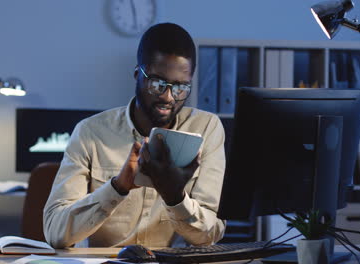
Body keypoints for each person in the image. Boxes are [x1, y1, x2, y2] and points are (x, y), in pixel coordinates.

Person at [43, 23, 226, 248]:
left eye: (180, 87)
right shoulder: (90, 132)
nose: (168, 97)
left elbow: (210, 235)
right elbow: (55, 232)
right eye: (158, 83)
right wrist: (118, 187)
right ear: (138, 74)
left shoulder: (206, 128)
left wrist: (175, 198)